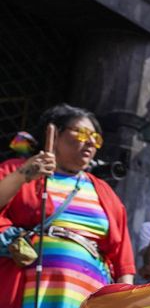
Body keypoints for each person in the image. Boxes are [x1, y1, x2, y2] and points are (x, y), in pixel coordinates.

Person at [0, 103, 136, 307]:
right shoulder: (17, 169)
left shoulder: (104, 190)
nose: (90, 142)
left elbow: (121, 256)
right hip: (27, 286)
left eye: (95, 138)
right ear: (53, 134)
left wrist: (126, 298)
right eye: (81, 133)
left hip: (87, 294)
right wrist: (24, 174)